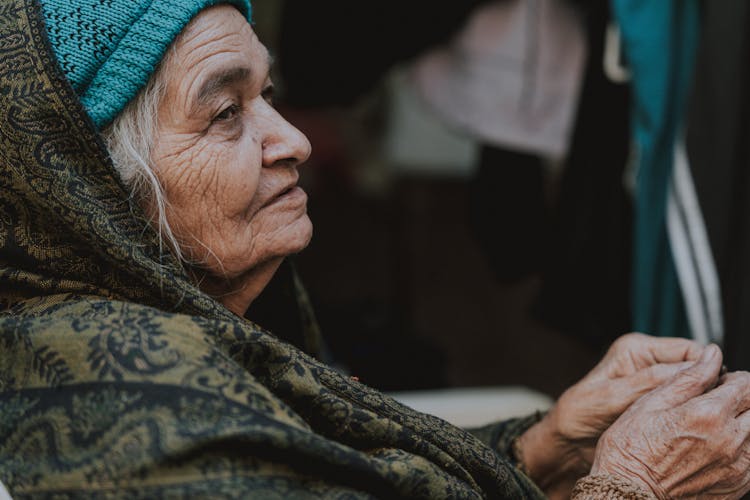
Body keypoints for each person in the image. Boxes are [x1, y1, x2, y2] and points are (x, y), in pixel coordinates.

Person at [1, 0, 750, 498]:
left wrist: (545, 447)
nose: (291, 138)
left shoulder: (177, 337)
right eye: (227, 112)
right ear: (88, 181)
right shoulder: (136, 406)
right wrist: (632, 484)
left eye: (268, 94)